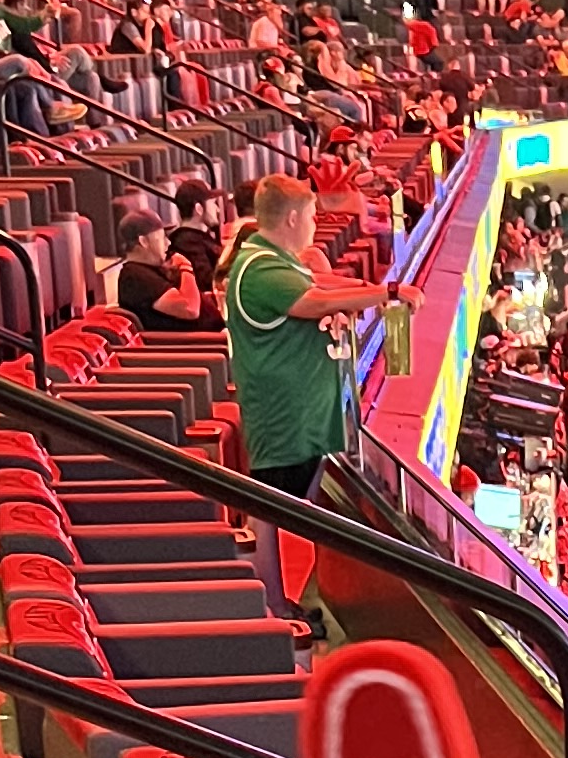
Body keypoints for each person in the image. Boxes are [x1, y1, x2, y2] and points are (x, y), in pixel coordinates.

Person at [220, 172, 380, 598]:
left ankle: (281, 601)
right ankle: (273, 604)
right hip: (283, 417)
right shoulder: (259, 267)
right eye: (310, 215)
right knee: (275, 511)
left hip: (301, 415)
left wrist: (362, 295)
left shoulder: (276, 260)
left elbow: (321, 291)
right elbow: (315, 301)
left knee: (289, 508)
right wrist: (386, 293)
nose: (314, 223)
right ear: (291, 218)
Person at [112, 206, 205, 332]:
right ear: (144, 241)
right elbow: (190, 309)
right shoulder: (135, 277)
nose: (168, 243)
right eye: (162, 237)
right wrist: (186, 267)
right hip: (198, 346)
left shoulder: (146, 270)